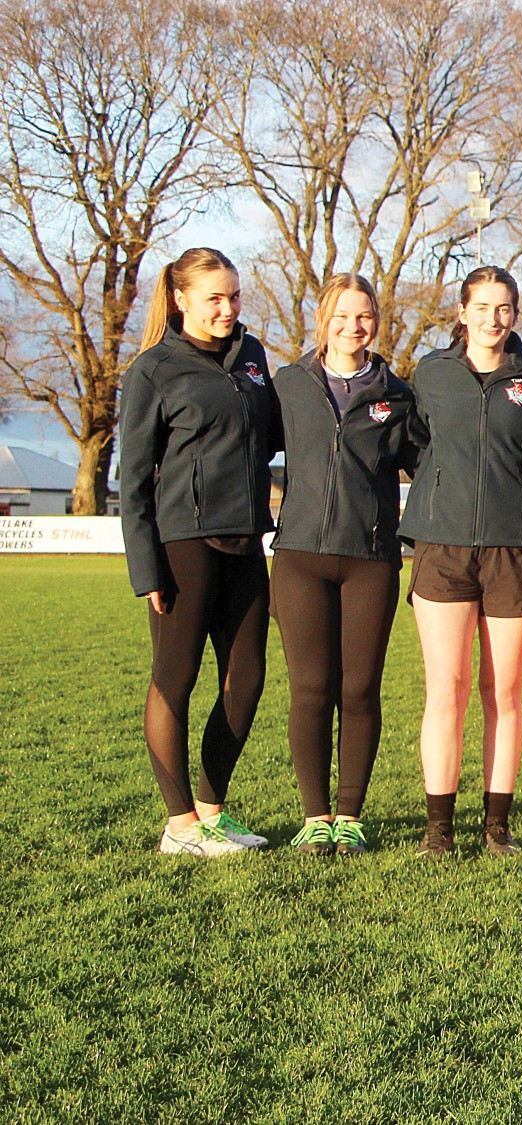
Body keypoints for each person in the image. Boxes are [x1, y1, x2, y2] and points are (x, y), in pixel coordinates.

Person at [121, 247, 281, 856]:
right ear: (181, 298)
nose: (227, 308)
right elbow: (133, 476)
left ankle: (211, 813)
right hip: (181, 542)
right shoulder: (154, 369)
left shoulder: (253, 357)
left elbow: (272, 438)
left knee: (247, 680)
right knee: (175, 679)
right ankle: (179, 825)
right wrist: (147, 568)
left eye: (234, 296)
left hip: (246, 539)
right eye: (214, 297)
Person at [401, 266, 522, 857]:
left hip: (512, 548)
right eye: (483, 307)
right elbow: (416, 441)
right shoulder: (431, 373)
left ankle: (497, 827)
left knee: (505, 692)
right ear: (461, 313)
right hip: (440, 546)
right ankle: (437, 829)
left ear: (514, 315)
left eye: (505, 308)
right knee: (447, 686)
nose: (494, 318)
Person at [270, 274, 417, 856]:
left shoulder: (397, 394)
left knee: (359, 689)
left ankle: (350, 815)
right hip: (300, 556)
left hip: (370, 560)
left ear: (376, 322)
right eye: (342, 316)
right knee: (310, 687)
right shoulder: (287, 384)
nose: (354, 326)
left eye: (365, 316)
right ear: (322, 320)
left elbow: (432, 462)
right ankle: (315, 817)